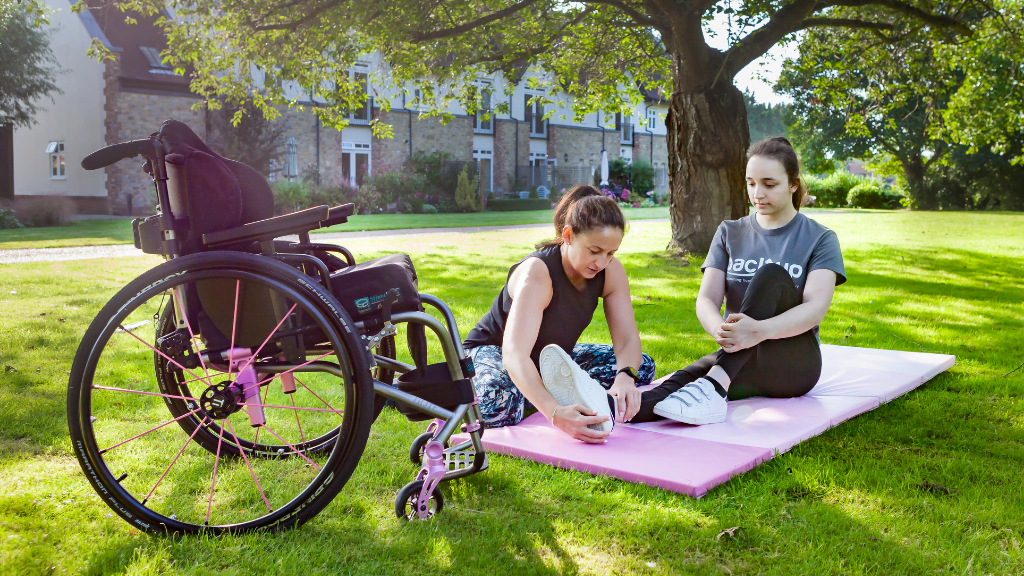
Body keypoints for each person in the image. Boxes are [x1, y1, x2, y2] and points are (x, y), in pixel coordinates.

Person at [632, 136, 846, 425]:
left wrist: (758, 331)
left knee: (771, 275)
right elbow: (707, 299)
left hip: (792, 365)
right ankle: (606, 410)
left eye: (769, 185)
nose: (758, 193)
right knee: (678, 385)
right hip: (738, 358)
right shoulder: (729, 232)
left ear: (793, 184)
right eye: (750, 183)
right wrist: (719, 328)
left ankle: (715, 383)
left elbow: (815, 309)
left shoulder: (819, 238)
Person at [463, 185, 656, 443]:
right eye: (594, 251)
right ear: (568, 235)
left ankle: (533, 392)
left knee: (641, 367)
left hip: (547, 359)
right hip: (493, 352)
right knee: (499, 409)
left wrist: (624, 378)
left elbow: (628, 341)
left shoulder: (610, 271)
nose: (601, 262)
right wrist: (555, 413)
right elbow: (515, 354)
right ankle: (530, 395)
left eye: (611, 253)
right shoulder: (538, 273)